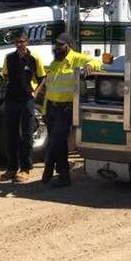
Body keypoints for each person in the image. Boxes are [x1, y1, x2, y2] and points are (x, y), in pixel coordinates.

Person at [40, 33, 100, 187]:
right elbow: (49, 88)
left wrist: (90, 66)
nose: (57, 47)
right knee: (59, 143)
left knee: (54, 141)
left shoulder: (75, 58)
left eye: (60, 45)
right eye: (56, 44)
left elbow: (96, 62)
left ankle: (49, 167)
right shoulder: (55, 62)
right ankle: (64, 176)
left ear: (69, 46)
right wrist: (45, 110)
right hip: (51, 109)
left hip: (65, 109)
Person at [0, 30, 45, 183]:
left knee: (26, 135)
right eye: (17, 42)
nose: (20, 45)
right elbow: (4, 74)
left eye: (22, 41)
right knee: (10, 135)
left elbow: (43, 77)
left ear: (27, 42)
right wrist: (0, 78)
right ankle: (11, 168)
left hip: (26, 99)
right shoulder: (9, 58)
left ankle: (25, 169)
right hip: (11, 98)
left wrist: (35, 93)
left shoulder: (34, 58)